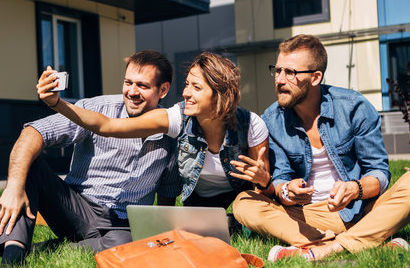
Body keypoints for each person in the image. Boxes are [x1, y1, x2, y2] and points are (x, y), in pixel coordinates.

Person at [0, 50, 181, 268]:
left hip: (123, 225)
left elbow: (167, 194)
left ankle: (46, 250)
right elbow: (35, 132)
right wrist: (14, 188)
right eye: (128, 83)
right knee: (30, 165)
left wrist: (161, 237)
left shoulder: (171, 133)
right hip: (76, 209)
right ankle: (12, 259)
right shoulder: (97, 108)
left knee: (128, 248)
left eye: (142, 85)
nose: (132, 92)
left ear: (163, 90)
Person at [232, 34, 410, 261]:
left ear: (315, 77)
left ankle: (325, 249)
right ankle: (361, 242)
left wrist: (354, 189)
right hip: (309, 215)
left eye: (290, 72)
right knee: (244, 203)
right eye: (277, 70)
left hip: (361, 208)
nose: (279, 79)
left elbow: (379, 173)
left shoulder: (353, 107)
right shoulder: (272, 119)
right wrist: (288, 191)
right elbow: (280, 181)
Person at [41, 51, 274, 210]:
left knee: (247, 210)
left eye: (196, 87)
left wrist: (264, 182)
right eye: (186, 85)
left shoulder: (251, 124)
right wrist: (57, 103)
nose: (186, 93)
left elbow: (265, 192)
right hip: (198, 203)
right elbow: (108, 125)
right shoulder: (176, 117)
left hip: (239, 198)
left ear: (220, 94)